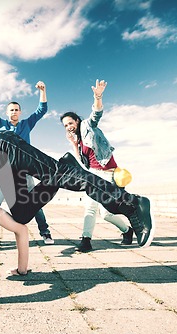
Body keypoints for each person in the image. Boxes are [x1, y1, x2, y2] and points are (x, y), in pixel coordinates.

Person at [0, 128, 154, 305]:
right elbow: (20, 231)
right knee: (22, 214)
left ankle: (131, 205)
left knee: (57, 174)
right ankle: (68, 167)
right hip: (3, 169)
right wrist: (22, 269)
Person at [60, 80, 134, 252]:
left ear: (77, 121)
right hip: (93, 173)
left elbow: (96, 114)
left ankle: (126, 231)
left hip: (107, 172)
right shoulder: (77, 141)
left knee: (106, 213)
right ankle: (87, 239)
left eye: (70, 123)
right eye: (65, 125)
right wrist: (73, 144)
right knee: (94, 209)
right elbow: (83, 164)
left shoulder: (87, 125)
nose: (69, 127)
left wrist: (98, 96)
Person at [0, 81, 54, 245]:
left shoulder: (26, 124)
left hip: (24, 170)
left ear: (20, 112)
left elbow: (42, 110)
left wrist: (43, 90)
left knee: (34, 202)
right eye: (11, 110)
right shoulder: (2, 125)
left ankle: (45, 232)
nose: (14, 112)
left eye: (16, 109)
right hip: (4, 170)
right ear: (7, 113)